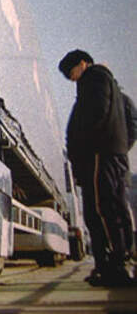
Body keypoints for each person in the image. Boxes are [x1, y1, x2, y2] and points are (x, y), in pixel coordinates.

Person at [58, 49, 134, 286]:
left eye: (72, 73)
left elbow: (94, 117)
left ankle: (116, 266)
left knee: (104, 209)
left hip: (100, 156)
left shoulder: (94, 78)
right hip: (106, 156)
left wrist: (90, 149)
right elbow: (130, 126)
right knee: (105, 209)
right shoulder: (109, 87)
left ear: (83, 63)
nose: (72, 79)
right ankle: (108, 266)